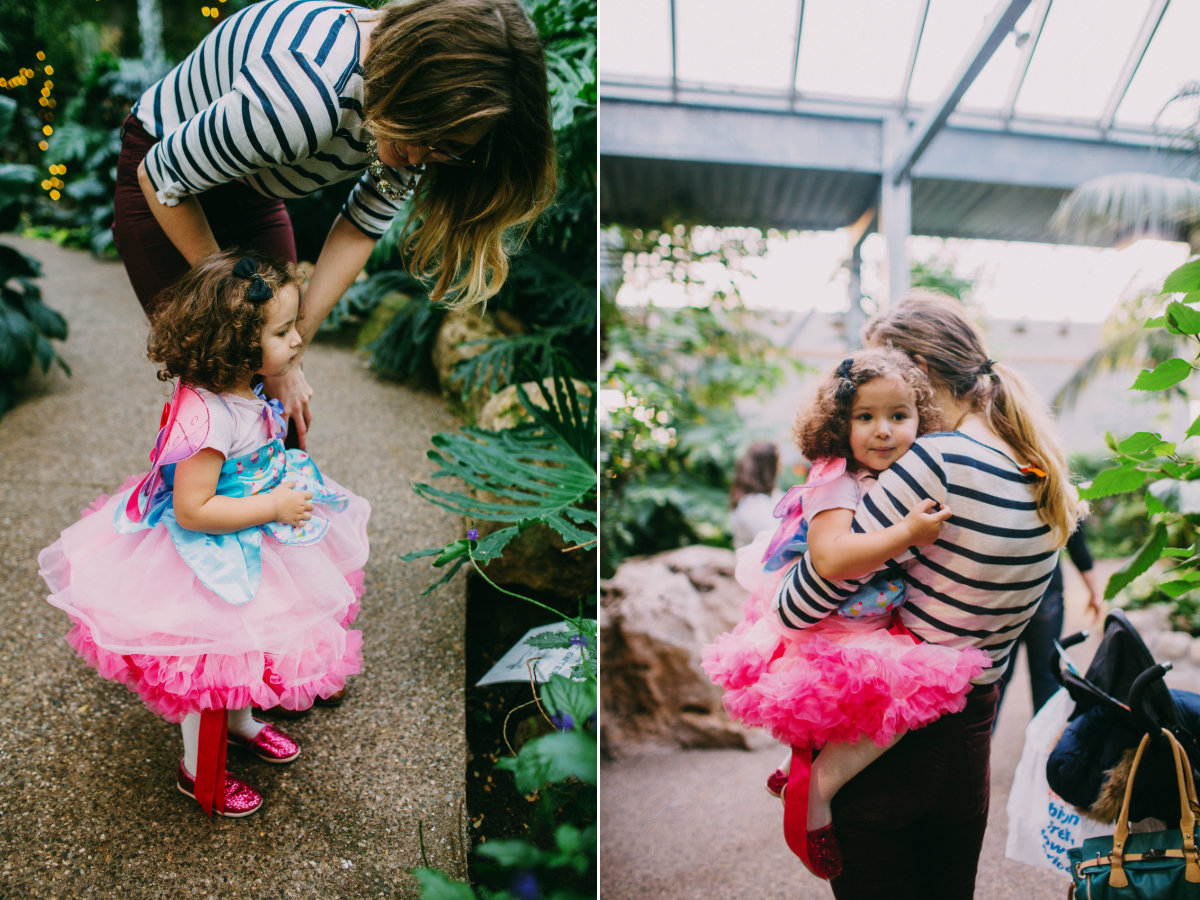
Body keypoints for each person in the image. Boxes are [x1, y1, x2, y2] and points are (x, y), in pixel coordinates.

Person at [113, 0, 557, 449]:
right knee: (222, 399)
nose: (423, 156)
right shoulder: (306, 101)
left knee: (279, 417)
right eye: (427, 132)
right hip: (164, 181)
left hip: (250, 186)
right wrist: (241, 310)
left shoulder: (423, 118)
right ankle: (196, 511)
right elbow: (161, 174)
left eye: (451, 145)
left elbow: (362, 225)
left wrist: (290, 353)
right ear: (413, 70)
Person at [38, 250, 370, 817]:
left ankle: (240, 721)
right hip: (209, 554)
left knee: (245, 653)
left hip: (249, 532)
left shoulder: (240, 387)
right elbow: (193, 510)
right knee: (212, 663)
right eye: (283, 332)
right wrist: (273, 505)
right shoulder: (210, 417)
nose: (296, 343)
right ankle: (199, 772)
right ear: (237, 344)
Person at [773, 292, 1083, 897]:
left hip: (890, 746)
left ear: (917, 370)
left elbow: (799, 604)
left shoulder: (936, 464)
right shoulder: (1039, 474)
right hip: (969, 748)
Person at [703, 349, 993, 879]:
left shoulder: (895, 474)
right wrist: (907, 533)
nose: (883, 431)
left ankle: (805, 777)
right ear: (840, 424)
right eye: (865, 417)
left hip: (870, 623)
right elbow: (831, 558)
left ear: (920, 421)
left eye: (898, 416)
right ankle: (814, 792)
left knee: (893, 706)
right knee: (905, 698)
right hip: (836, 632)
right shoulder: (835, 478)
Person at [997, 519, 1102, 716]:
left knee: (996, 676)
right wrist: (1095, 594)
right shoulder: (1061, 493)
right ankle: (1043, 743)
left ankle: (978, 745)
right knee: (1046, 675)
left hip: (1004, 596)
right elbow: (1078, 546)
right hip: (1046, 595)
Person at [729, 441, 783, 549]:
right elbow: (774, 541)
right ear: (770, 465)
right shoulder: (751, 503)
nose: (782, 464)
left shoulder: (773, 495)